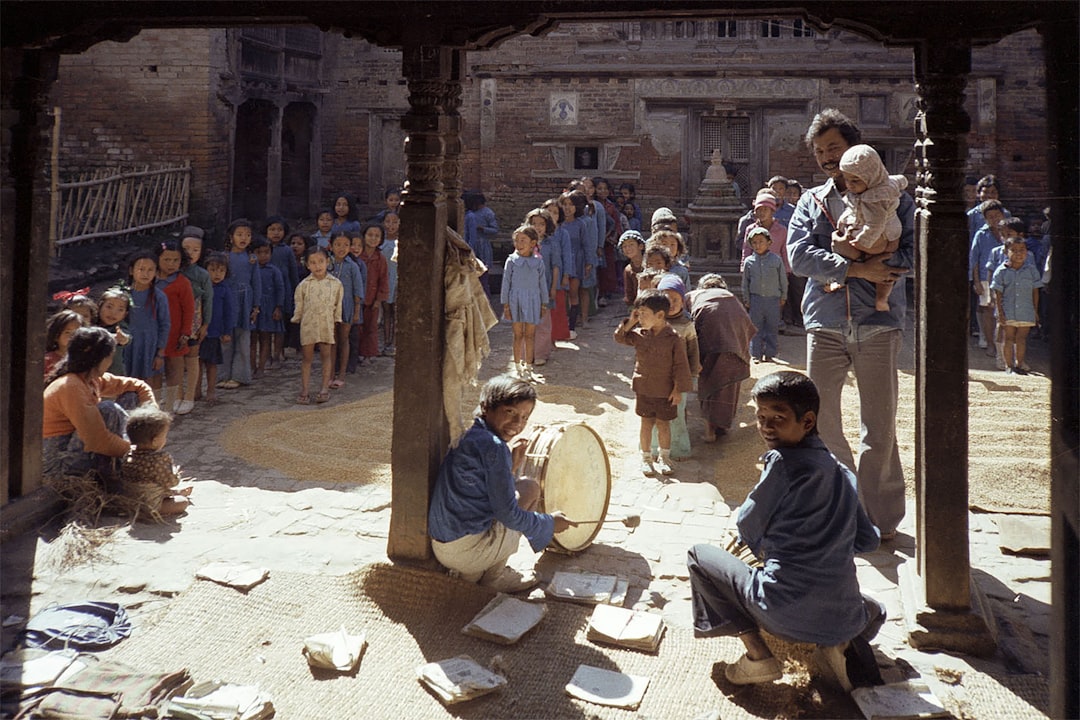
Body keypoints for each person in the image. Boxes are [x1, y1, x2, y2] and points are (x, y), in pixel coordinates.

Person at [687, 371, 884, 689]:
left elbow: (747, 524)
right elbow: (868, 540)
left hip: (780, 610)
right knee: (875, 608)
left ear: (807, 422)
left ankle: (757, 656)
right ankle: (837, 645)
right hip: (844, 616)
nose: (765, 426)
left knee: (698, 557)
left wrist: (769, 545)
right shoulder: (842, 472)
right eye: (761, 416)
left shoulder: (781, 462)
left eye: (778, 417)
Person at [786, 108, 912, 539]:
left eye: (833, 149)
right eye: (819, 151)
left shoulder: (895, 197)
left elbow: (913, 254)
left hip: (878, 324)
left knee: (879, 425)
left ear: (855, 149)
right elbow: (799, 257)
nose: (825, 158)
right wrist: (856, 268)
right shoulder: (811, 200)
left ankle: (881, 519)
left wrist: (886, 264)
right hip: (824, 324)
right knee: (819, 421)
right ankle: (841, 509)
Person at [428, 374, 576, 592]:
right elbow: (509, 515)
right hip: (466, 551)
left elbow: (478, 488)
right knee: (530, 488)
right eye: (510, 413)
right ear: (486, 407)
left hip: (442, 546)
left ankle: (472, 575)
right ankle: (494, 578)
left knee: (517, 491)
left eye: (525, 417)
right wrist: (549, 523)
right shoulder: (495, 447)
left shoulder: (472, 433)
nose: (517, 424)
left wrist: (511, 468)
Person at [42, 326, 156, 483]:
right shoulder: (71, 386)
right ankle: (114, 473)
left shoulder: (91, 379)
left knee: (131, 396)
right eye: (110, 357)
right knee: (108, 410)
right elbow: (97, 439)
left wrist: (152, 411)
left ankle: (118, 468)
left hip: (78, 450)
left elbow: (137, 385)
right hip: (58, 467)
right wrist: (137, 452)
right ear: (98, 358)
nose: (111, 362)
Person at [614, 289, 693, 477]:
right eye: (638, 313)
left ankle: (665, 457)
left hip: (665, 391)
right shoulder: (639, 334)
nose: (640, 317)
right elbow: (619, 337)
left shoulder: (674, 339)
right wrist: (631, 321)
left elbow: (681, 366)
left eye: (644, 314)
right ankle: (646, 458)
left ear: (659, 315)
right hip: (644, 389)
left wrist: (677, 390)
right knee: (646, 423)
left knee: (664, 424)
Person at [832, 144, 908, 313]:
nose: (850, 185)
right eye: (847, 179)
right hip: (879, 232)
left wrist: (862, 242)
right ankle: (843, 277)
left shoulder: (875, 198)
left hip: (883, 235)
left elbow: (876, 223)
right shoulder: (877, 184)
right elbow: (899, 180)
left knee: (884, 268)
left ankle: (881, 298)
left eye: (855, 180)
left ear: (871, 176)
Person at [686, 273, 757, 442]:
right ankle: (722, 427)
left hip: (711, 343)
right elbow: (747, 326)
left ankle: (709, 432)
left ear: (702, 287)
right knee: (729, 387)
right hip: (735, 347)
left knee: (709, 385)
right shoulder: (731, 297)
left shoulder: (693, 295)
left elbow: (685, 322)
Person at [650, 275, 700, 460]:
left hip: (678, 379)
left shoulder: (687, 325)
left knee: (677, 415)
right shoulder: (653, 323)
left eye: (675, 299)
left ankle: (679, 449)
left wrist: (693, 374)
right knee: (655, 415)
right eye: (666, 299)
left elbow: (694, 352)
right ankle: (654, 448)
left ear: (683, 300)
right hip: (656, 378)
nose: (671, 303)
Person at [119, 405, 192, 519]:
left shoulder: (128, 455)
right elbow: (171, 482)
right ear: (155, 441)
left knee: (153, 487)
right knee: (183, 502)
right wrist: (175, 472)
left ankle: (174, 494)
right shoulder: (159, 460)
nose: (165, 439)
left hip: (129, 503)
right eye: (164, 436)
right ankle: (171, 499)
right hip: (150, 506)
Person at [292, 246, 343, 404]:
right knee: (307, 358)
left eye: (321, 261)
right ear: (307, 265)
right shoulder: (303, 285)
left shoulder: (336, 284)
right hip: (308, 325)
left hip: (326, 324)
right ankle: (305, 390)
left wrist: (336, 320)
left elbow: (338, 304)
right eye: (313, 262)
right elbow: (299, 306)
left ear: (328, 261)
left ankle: (324, 388)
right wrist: (297, 318)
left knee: (326, 356)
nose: (317, 266)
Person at [218, 219, 261, 390]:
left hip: (245, 301)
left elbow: (256, 283)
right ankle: (222, 375)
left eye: (248, 235)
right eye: (239, 234)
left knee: (243, 339)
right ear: (231, 237)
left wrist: (256, 306)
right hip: (227, 300)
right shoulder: (223, 257)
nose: (244, 238)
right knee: (225, 339)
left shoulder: (252, 259)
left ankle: (239, 376)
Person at [501, 225, 548, 381]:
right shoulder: (511, 261)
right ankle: (517, 367)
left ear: (533, 243)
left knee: (530, 335)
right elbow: (506, 282)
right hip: (516, 301)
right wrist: (506, 304)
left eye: (523, 240)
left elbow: (542, 283)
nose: (519, 244)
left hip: (534, 301)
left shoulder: (538, 262)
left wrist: (544, 303)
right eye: (517, 240)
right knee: (518, 335)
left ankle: (528, 366)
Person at [991, 236, 1043, 375]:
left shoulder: (1031, 270)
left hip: (1026, 310)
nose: (1019, 253)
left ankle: (1019, 364)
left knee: (1021, 338)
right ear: (1006, 252)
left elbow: (1035, 292)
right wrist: (1000, 312)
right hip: (1008, 310)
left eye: (1022, 250)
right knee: (1008, 338)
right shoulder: (1001, 271)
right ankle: (1009, 366)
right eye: (1014, 250)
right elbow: (998, 293)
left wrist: (1035, 310)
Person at [154, 241, 195, 412]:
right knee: (155, 369)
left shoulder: (182, 282)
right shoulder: (150, 280)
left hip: (175, 333)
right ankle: (154, 401)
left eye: (175, 260)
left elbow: (189, 309)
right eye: (167, 260)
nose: (171, 264)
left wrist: (185, 333)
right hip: (155, 333)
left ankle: (173, 401)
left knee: (174, 369)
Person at [123, 251, 170, 387]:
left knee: (147, 382)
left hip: (149, 344)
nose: (145, 274)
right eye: (141, 269)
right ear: (132, 271)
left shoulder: (159, 297)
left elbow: (164, 324)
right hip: (127, 343)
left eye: (150, 270)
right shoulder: (124, 295)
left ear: (156, 272)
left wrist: (160, 353)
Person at [179, 227, 212, 414]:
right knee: (175, 361)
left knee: (192, 358)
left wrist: (205, 324)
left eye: (195, 250)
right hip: (175, 321)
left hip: (194, 322)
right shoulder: (172, 271)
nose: (190, 253)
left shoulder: (202, 275)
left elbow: (208, 301)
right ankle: (176, 396)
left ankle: (190, 395)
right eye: (186, 249)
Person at [969, 199, 1007, 359]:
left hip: (1007, 278)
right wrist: (976, 281)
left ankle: (1004, 347)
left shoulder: (1008, 232)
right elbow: (975, 259)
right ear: (985, 218)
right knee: (988, 310)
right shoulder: (981, 234)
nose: (994, 219)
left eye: (997, 215)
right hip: (985, 278)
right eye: (990, 217)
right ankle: (990, 343)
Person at [743, 227, 787, 363]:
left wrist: (783, 296)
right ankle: (755, 354)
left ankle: (770, 353)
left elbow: (783, 280)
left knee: (772, 327)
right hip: (756, 299)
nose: (758, 245)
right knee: (756, 327)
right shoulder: (749, 262)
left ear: (769, 242)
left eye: (761, 241)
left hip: (773, 299)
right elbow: (745, 282)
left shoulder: (776, 260)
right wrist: (747, 298)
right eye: (754, 243)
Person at [327, 231, 364, 388]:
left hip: (347, 306)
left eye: (345, 245)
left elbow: (358, 292)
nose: (341, 248)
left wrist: (356, 311)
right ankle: (329, 374)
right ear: (331, 246)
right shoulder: (327, 263)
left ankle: (342, 373)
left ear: (350, 247)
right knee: (331, 341)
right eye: (338, 245)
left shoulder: (353, 266)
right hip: (329, 307)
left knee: (344, 340)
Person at [525, 209, 560, 366]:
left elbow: (555, 267)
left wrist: (554, 287)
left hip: (544, 288)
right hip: (526, 289)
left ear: (548, 226)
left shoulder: (551, 244)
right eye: (534, 224)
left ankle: (541, 353)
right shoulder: (523, 243)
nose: (538, 227)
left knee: (543, 324)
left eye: (541, 224)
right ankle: (527, 353)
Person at [263, 216, 299, 366]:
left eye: (279, 230)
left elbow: (293, 273)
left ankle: (279, 353)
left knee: (281, 325)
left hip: (284, 291)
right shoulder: (262, 249)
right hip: (266, 292)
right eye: (272, 229)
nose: (276, 233)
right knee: (265, 327)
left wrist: (296, 293)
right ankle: (266, 356)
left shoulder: (287, 251)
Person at [200, 253, 235, 406]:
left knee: (212, 364)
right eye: (212, 270)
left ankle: (211, 390)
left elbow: (229, 312)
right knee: (197, 363)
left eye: (221, 270)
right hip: (199, 332)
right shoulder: (200, 288)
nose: (217, 274)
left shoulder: (224, 290)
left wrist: (227, 331)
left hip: (215, 332)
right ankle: (196, 390)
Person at [355, 222, 390, 364]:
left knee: (371, 327)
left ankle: (368, 354)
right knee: (357, 328)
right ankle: (355, 353)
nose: (373, 239)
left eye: (377, 236)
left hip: (372, 298)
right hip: (357, 298)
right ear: (363, 236)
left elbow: (383, 279)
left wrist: (379, 300)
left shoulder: (380, 258)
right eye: (370, 235)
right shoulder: (358, 255)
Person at [250, 237, 285, 379]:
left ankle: (261, 367)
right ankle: (251, 366)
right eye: (259, 252)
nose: (263, 256)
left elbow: (280, 289)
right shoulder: (250, 269)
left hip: (269, 307)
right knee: (252, 339)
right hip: (252, 307)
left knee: (265, 338)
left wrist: (278, 307)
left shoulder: (274, 270)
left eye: (266, 252)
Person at [96, 286, 131, 376]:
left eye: (120, 310)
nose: (113, 313)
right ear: (100, 305)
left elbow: (127, 338)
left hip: (114, 373)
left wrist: (123, 339)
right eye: (109, 307)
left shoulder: (120, 327)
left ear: (125, 314)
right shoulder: (92, 324)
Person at [44, 309, 86, 379]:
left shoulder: (85, 359)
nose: (73, 336)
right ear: (56, 336)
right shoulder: (47, 360)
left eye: (77, 332)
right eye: (67, 332)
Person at [380, 212, 400, 356]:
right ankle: (386, 341)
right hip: (385, 280)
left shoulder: (401, 242)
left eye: (394, 222)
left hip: (397, 279)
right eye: (388, 222)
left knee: (396, 312)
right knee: (386, 311)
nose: (390, 225)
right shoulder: (380, 242)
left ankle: (395, 344)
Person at [619, 230, 646, 306]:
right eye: (624, 246)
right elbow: (629, 294)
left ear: (641, 246)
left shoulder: (650, 264)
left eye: (631, 244)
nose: (628, 248)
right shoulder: (628, 270)